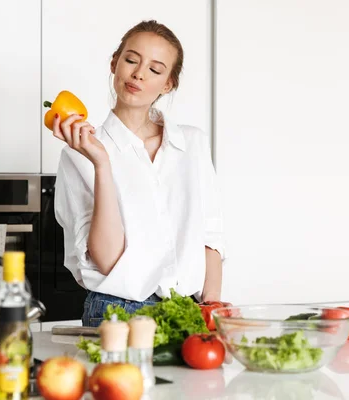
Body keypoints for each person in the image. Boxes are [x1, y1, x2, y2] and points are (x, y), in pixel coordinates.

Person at [53, 20, 227, 328]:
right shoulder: (78, 154)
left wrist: (211, 308)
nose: (139, 73)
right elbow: (107, 261)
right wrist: (102, 164)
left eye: (155, 69)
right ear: (114, 63)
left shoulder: (192, 144)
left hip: (189, 310)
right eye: (131, 60)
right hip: (115, 312)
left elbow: (210, 236)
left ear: (168, 84)